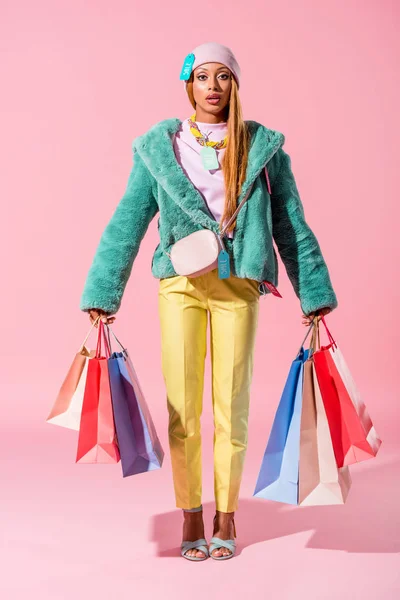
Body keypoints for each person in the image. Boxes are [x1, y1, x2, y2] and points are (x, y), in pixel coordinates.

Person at [79, 42, 337, 561]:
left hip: (239, 285)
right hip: (180, 285)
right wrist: (103, 292)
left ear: (234, 86)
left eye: (223, 77)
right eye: (203, 77)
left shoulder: (262, 148)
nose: (213, 87)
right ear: (188, 85)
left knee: (231, 406)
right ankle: (190, 514)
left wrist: (314, 291)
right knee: (183, 408)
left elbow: (291, 223)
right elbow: (127, 222)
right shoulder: (161, 148)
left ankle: (226, 516)